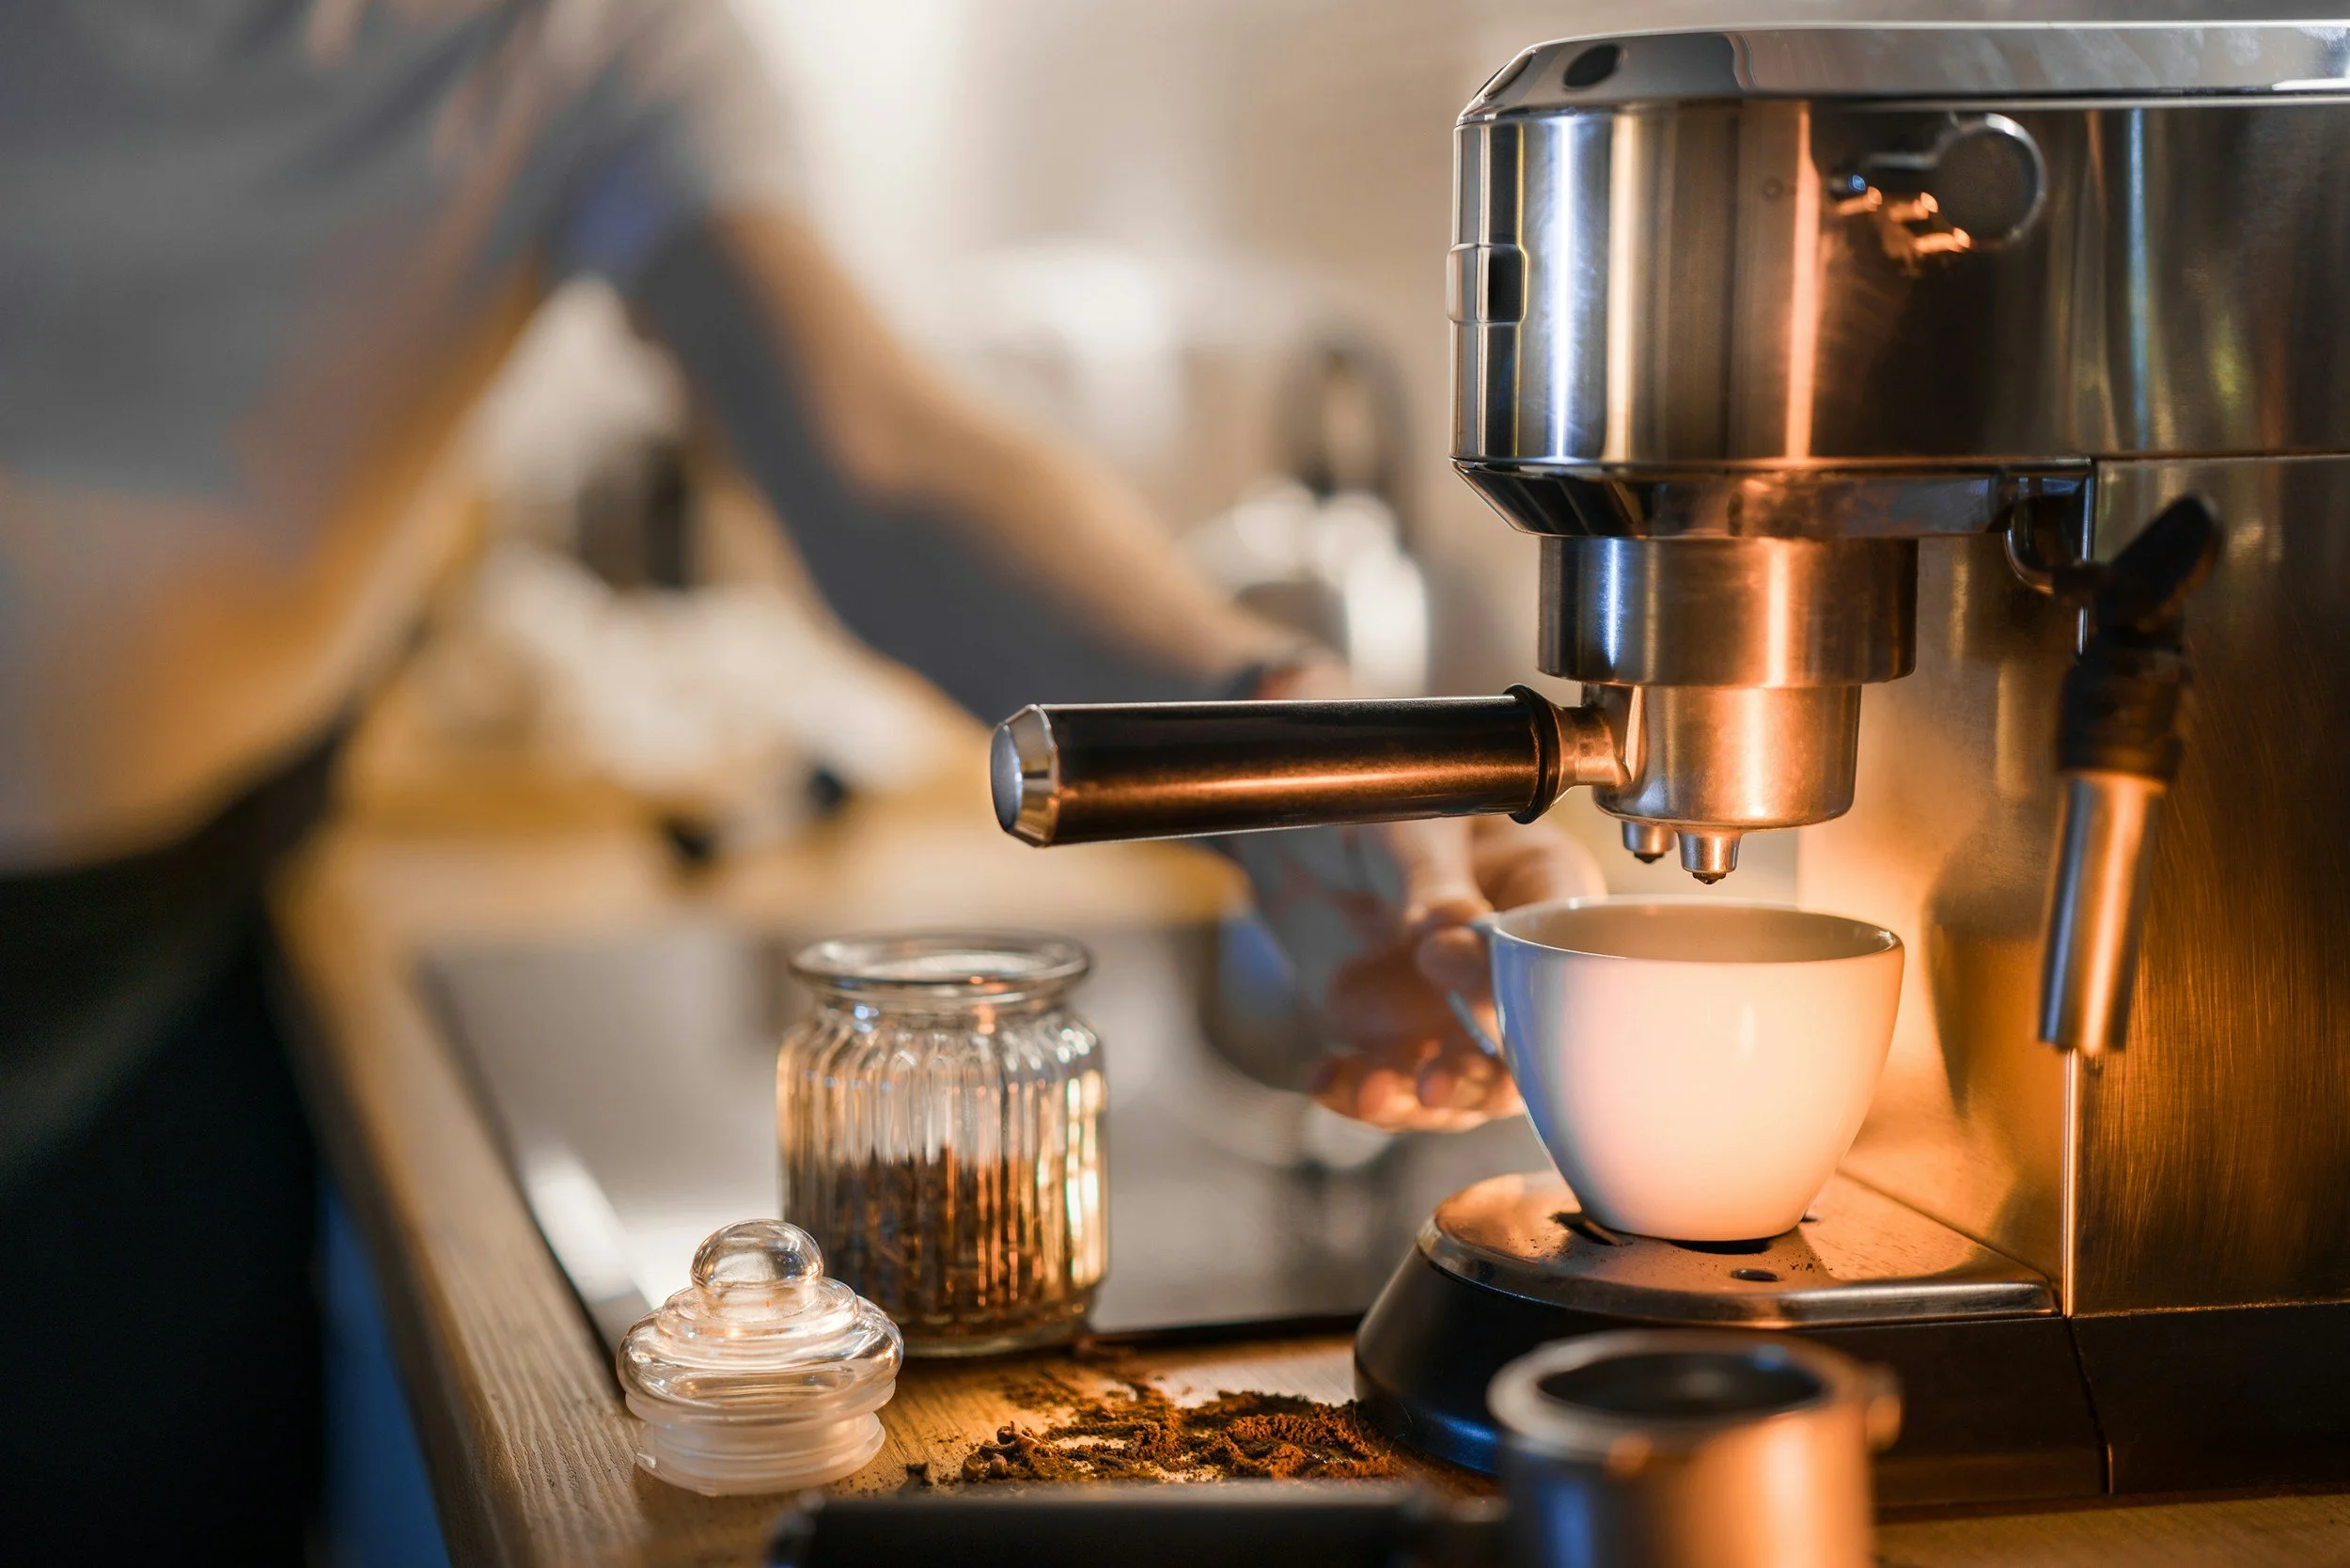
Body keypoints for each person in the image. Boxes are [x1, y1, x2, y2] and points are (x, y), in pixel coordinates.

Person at [0, 0, 1597, 1554]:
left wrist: (1271, 732)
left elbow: (881, 459)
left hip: (178, 881)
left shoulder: (573, 34)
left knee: (148, 1469)